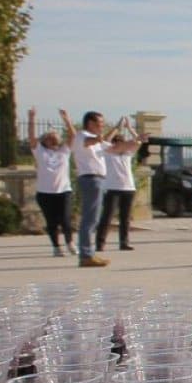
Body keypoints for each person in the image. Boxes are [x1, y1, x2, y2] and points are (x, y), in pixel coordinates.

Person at [70, 110, 143, 267]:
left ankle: (88, 254)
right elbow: (88, 142)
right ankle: (86, 255)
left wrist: (136, 140)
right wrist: (99, 138)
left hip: (97, 180)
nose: (102, 126)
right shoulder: (81, 136)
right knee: (90, 219)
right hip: (90, 179)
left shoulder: (97, 141)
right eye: (100, 123)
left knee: (93, 218)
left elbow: (115, 148)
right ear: (90, 123)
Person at [28, 107, 76, 258]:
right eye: (50, 137)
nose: (53, 138)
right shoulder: (40, 151)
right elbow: (31, 137)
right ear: (44, 140)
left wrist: (66, 119)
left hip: (63, 191)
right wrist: (31, 118)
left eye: (55, 136)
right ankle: (56, 247)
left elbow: (73, 136)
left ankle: (70, 243)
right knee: (52, 222)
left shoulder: (64, 151)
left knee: (66, 220)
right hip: (45, 193)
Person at [96, 117, 140, 252]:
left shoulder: (128, 153)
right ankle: (100, 243)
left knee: (125, 217)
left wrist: (130, 128)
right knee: (107, 216)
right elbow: (104, 140)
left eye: (123, 143)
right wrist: (117, 128)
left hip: (128, 187)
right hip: (112, 188)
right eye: (118, 143)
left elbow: (138, 141)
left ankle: (124, 242)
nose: (121, 145)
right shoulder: (107, 152)